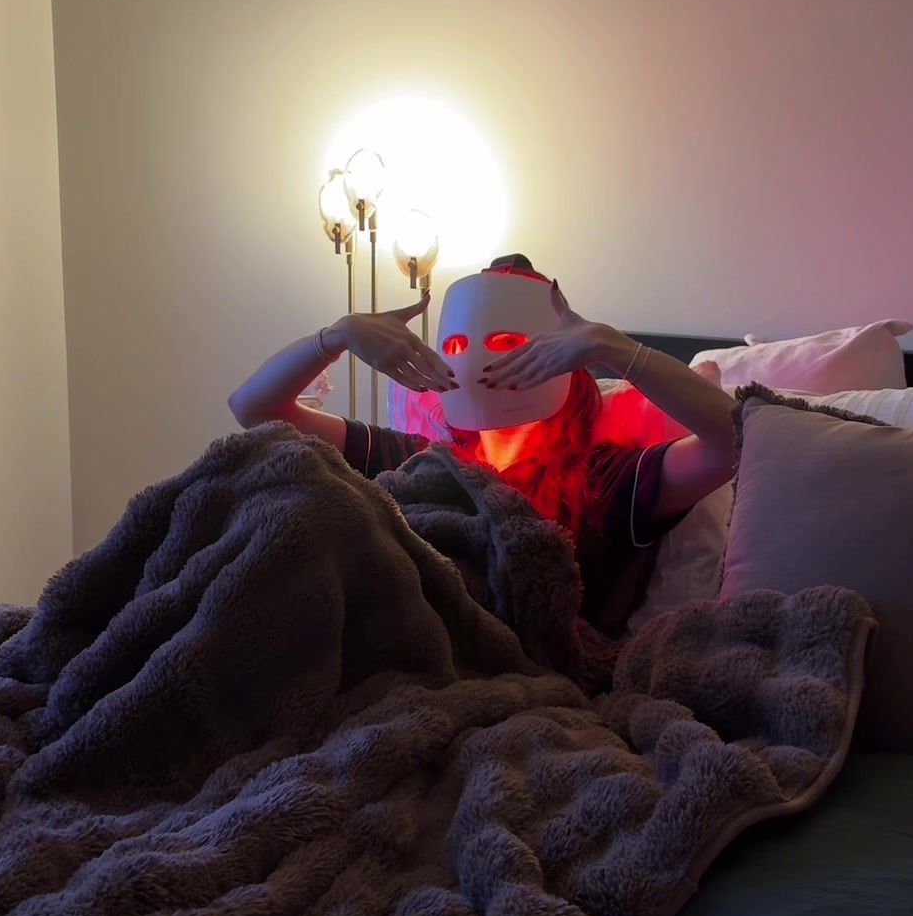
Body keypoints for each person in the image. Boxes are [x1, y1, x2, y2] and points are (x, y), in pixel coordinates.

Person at [227, 254, 736, 636]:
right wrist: (337, 336)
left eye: (508, 344)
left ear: (560, 357)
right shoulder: (419, 459)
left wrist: (612, 347)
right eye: (456, 346)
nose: (479, 362)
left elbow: (733, 439)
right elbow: (255, 410)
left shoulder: (607, 478)